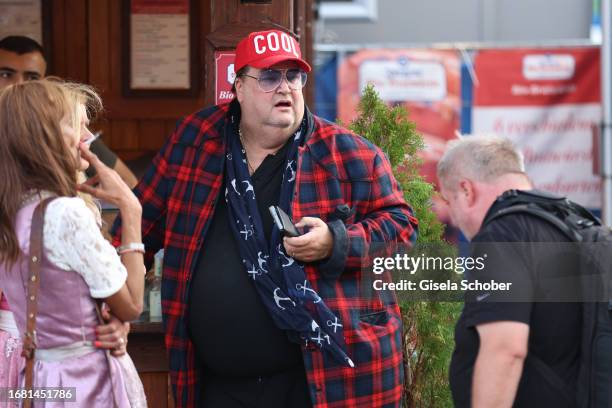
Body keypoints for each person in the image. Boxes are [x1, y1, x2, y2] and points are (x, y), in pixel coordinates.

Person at [112, 29, 418, 407]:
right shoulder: (196, 140)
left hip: (321, 382)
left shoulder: (348, 154)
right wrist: (110, 302)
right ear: (238, 88)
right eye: (270, 77)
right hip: (218, 385)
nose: (285, 88)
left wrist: (335, 241)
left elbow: (402, 230)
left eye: (294, 76)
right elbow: (136, 223)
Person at [0, 79, 146, 406]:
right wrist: (131, 210)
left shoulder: (12, 211)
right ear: (46, 137)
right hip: (83, 381)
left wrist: (108, 321)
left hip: (37, 376)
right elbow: (133, 304)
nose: (88, 139)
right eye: (78, 126)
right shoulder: (66, 213)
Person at [437, 136, 582, 407]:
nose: (453, 217)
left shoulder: (502, 234)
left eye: (449, 200)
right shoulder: (574, 223)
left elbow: (505, 350)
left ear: (466, 190)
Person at [0, 35, 138, 188]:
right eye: (5, 75)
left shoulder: (65, 130)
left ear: (44, 83)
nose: (19, 84)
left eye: (32, 77)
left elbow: (128, 182)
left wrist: (83, 201)